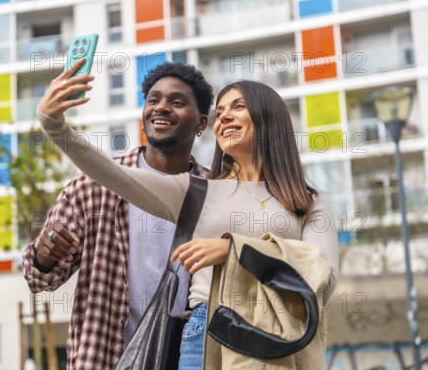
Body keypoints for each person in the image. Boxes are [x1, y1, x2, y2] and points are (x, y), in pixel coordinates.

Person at [36, 59, 340, 369]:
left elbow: (323, 281)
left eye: (238, 107)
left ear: (268, 116)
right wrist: (54, 125)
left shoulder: (310, 201)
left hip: (283, 339)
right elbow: (111, 173)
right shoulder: (197, 191)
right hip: (205, 334)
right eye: (220, 112)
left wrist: (233, 250)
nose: (225, 117)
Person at [22, 62, 214, 369]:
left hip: (190, 359)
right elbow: (38, 279)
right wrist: (44, 254)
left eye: (177, 102)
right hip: (105, 358)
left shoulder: (215, 193)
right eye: (153, 100)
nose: (161, 108)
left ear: (201, 122)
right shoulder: (93, 187)